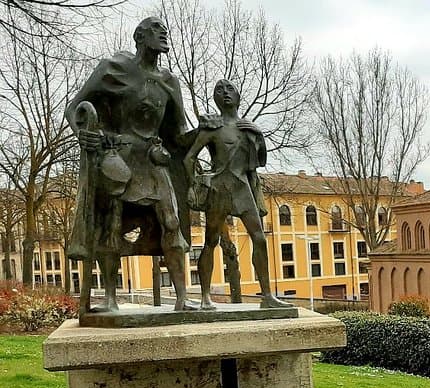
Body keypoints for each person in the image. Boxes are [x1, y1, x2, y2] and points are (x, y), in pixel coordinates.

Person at [66, 16, 195, 312]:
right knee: (112, 226)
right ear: (139, 36)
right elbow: (75, 108)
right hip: (118, 159)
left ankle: (182, 298)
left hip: (153, 160)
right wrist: (85, 135)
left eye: (165, 29)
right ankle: (110, 299)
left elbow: (177, 135)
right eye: (155, 29)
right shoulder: (114, 69)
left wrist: (207, 133)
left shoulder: (169, 81)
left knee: (172, 222)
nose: (163, 33)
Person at [185, 79, 290, 309]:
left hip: (242, 189)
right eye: (219, 91)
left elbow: (259, 161)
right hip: (219, 189)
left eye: (229, 89)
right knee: (211, 242)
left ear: (238, 95)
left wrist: (259, 136)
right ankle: (205, 297)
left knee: (260, 239)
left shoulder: (247, 127)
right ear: (216, 98)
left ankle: (267, 296)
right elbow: (189, 158)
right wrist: (197, 183)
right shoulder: (213, 126)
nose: (225, 94)